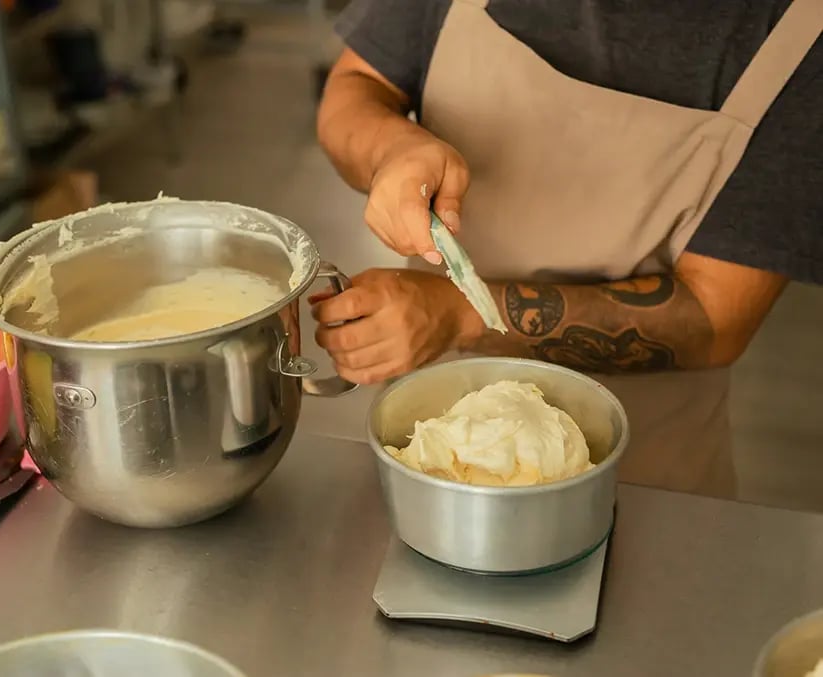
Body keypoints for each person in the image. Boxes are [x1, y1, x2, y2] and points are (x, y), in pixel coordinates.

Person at [312, 0, 822, 497]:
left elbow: (719, 315)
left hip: (652, 485)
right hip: (431, 448)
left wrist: (455, 314)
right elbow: (359, 84)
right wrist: (392, 149)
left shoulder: (799, 36)